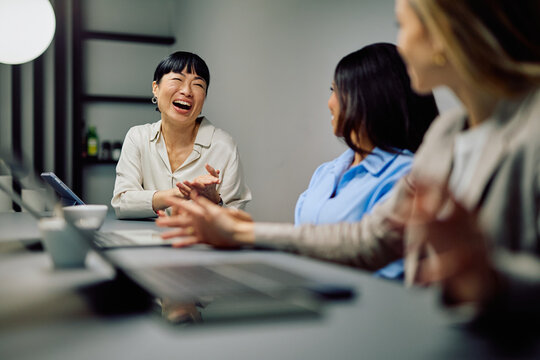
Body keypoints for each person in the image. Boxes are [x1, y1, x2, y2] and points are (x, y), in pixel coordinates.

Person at [157, 0, 540, 322]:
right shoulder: (448, 135)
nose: (401, 47)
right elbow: (374, 238)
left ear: (444, 33)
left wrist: (493, 279)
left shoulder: (530, 127)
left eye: (403, 27)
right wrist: (237, 229)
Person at [293, 43, 438, 279]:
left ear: (370, 97)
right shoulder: (325, 173)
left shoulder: (409, 177)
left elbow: (389, 271)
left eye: (337, 91)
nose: (330, 103)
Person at [111, 51, 251, 219]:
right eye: (177, 80)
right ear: (156, 88)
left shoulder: (224, 146)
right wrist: (179, 194)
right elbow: (122, 203)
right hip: (146, 240)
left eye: (198, 85)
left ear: (204, 97)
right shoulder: (137, 137)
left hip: (199, 243)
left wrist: (216, 201)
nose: (187, 91)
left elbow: (235, 218)